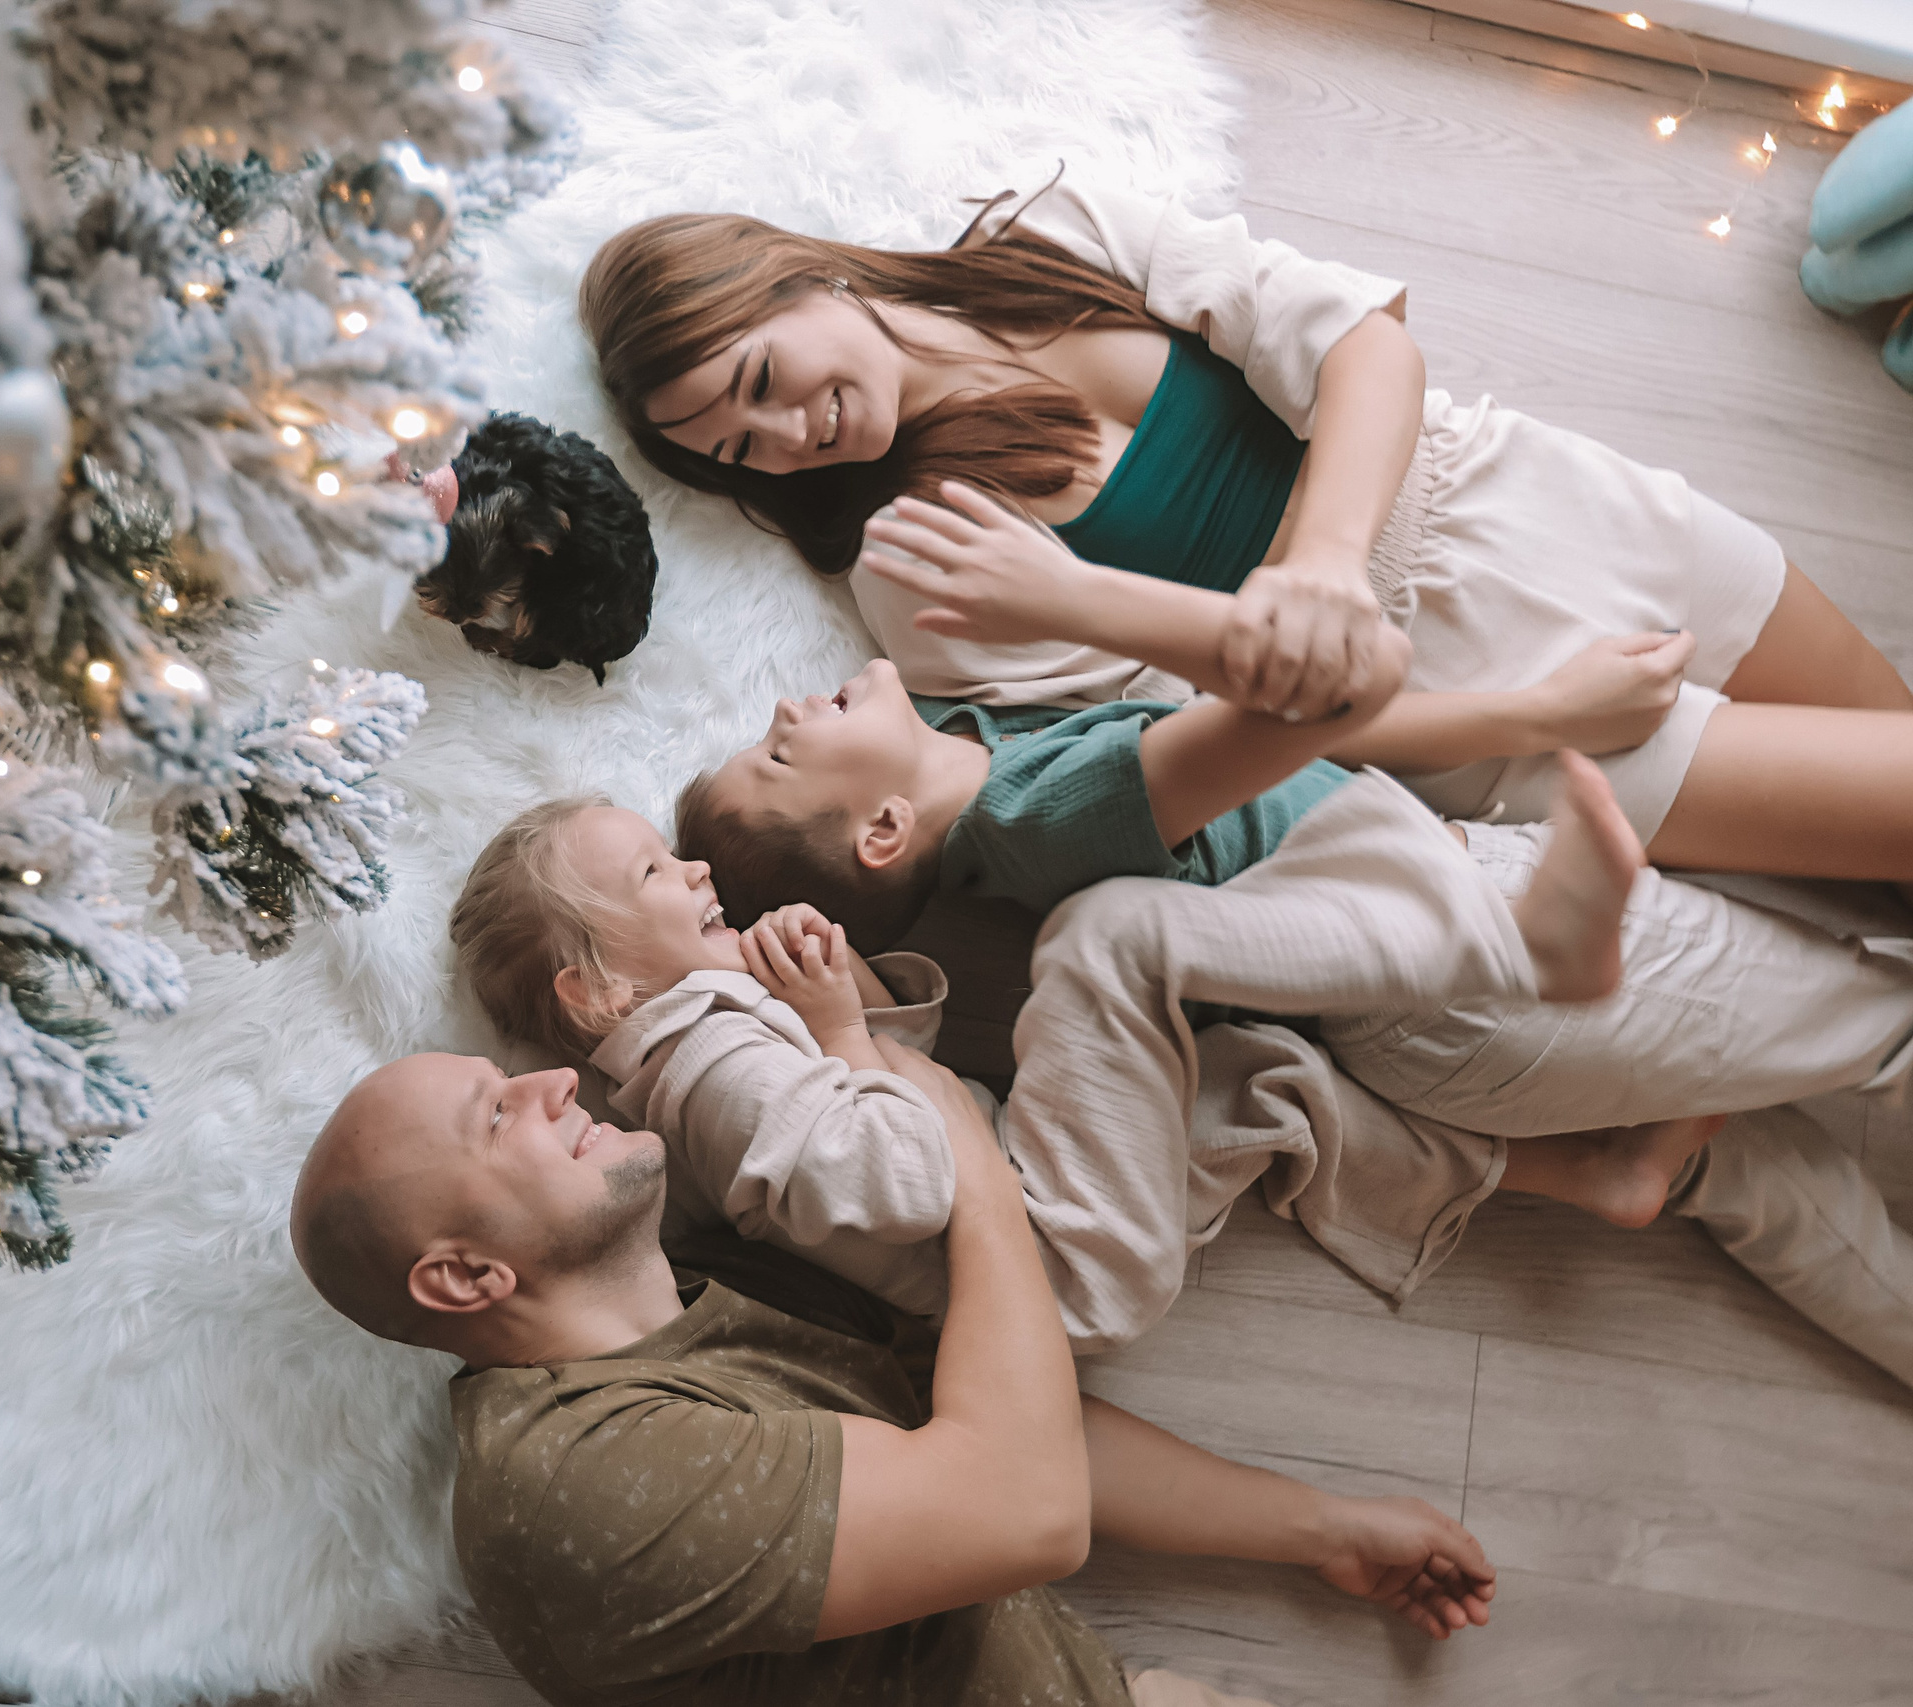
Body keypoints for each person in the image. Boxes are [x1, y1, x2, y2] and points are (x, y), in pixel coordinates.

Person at [577, 164, 1913, 884]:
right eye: (738, 451)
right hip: (1470, 705)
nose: (787, 436)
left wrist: (1322, 563)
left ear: (795, 274)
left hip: (1526, 498)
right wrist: (1534, 713)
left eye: (761, 380)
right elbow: (1215, 739)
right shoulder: (914, 564)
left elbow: (1366, 347)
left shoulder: (1042, 230)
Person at [675, 647, 1913, 1357]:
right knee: (1875, 1023)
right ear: (883, 830)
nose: (781, 708)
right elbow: (1293, 708)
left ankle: (1648, 1153)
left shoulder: (986, 775)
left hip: (1443, 996)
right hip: (1471, 970)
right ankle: (1554, 980)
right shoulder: (1036, 815)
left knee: (1771, 1151)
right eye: (777, 753)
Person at [291, 1046, 1499, 1706]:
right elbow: (1021, 1509)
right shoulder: (560, 1483)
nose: (550, 1082)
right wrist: (978, 1178)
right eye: (495, 1115)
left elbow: (1012, 1424)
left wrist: (1321, 1527)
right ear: (464, 1276)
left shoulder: (719, 1295)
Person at [446, 780, 1717, 1336]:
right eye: (655, 875)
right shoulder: (708, 1080)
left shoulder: (709, 1041)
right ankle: (1486, 935)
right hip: (1043, 1244)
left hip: (1056, 1240)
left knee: (1262, 1083)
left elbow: (898, 1082)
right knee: (1104, 949)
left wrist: (854, 998)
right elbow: (906, 1176)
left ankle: (1583, 1175)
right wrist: (834, 1028)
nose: (696, 869)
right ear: (598, 990)